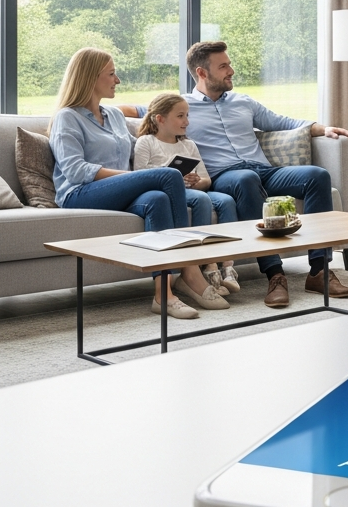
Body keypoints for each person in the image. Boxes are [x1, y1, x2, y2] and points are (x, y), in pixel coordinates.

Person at [49, 48, 228, 319]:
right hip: (80, 193)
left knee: (157, 198)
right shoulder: (68, 117)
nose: (117, 80)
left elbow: (137, 151)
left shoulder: (115, 116)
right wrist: (134, 178)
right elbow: (74, 170)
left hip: (119, 192)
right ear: (90, 77)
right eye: (111, 74)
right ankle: (189, 270)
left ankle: (163, 295)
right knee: (167, 177)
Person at [182, 41, 348, 308]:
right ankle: (275, 274)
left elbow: (282, 123)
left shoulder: (244, 101)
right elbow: (151, 120)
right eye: (223, 66)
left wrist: (324, 129)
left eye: (229, 63)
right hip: (226, 178)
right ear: (202, 73)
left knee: (316, 175)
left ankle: (319, 270)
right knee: (245, 178)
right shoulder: (183, 106)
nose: (231, 70)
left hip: (264, 171)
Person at [134, 92, 241, 298]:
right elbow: (140, 177)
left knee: (226, 200)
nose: (187, 121)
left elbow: (206, 180)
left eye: (187, 115)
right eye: (180, 116)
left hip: (192, 190)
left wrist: (196, 181)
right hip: (168, 193)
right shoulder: (146, 143)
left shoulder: (188, 145)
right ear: (160, 119)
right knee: (201, 199)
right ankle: (207, 267)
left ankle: (227, 267)